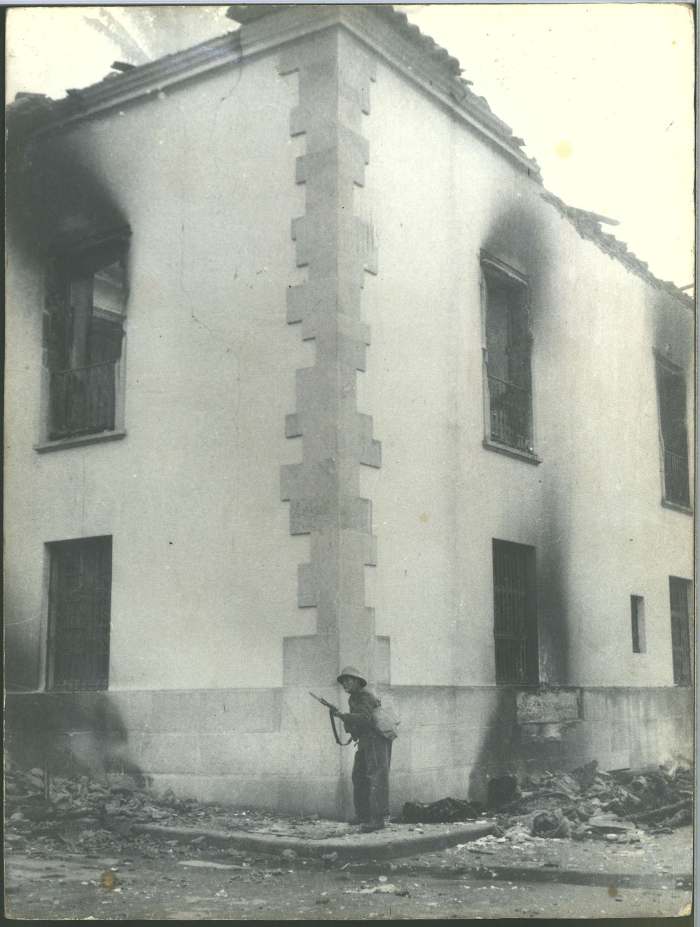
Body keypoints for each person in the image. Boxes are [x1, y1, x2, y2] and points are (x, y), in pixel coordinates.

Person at [332, 666, 391, 832]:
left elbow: (365, 718)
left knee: (376, 778)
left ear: (358, 681)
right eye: (343, 682)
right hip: (365, 742)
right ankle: (363, 815)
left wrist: (343, 716)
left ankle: (378, 819)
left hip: (376, 741)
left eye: (348, 680)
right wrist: (347, 724)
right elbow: (357, 724)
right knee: (358, 776)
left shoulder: (366, 696)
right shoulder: (353, 698)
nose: (345, 684)